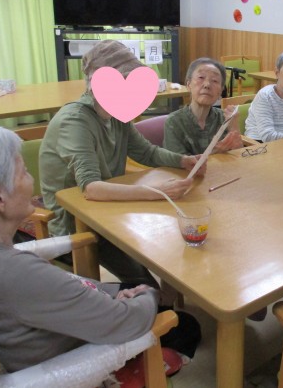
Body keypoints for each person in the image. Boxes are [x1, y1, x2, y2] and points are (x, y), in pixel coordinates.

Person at [0, 126, 160, 372]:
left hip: (58, 321)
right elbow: (127, 322)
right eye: (25, 172)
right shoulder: (16, 273)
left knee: (125, 286)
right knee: (182, 324)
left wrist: (113, 294)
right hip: (73, 357)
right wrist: (150, 293)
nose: (33, 181)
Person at [39, 40, 206, 287]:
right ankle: (151, 302)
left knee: (166, 247)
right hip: (75, 223)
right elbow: (91, 189)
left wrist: (183, 160)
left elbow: (146, 152)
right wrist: (158, 192)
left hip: (110, 209)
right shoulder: (74, 121)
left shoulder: (116, 112)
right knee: (143, 279)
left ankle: (167, 296)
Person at [163, 58, 243, 154]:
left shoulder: (225, 118)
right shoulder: (174, 122)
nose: (207, 85)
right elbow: (177, 162)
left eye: (215, 81)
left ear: (221, 90)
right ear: (188, 85)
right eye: (201, 77)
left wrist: (234, 128)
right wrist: (215, 153)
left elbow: (240, 157)